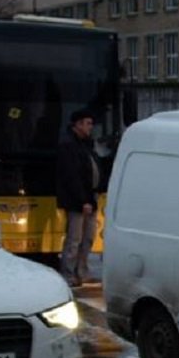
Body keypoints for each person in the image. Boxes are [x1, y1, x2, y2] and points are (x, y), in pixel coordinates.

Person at [56, 109, 100, 287]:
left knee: (88, 237)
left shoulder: (86, 144)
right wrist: (83, 200)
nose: (91, 127)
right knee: (75, 238)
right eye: (88, 123)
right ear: (78, 124)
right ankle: (68, 273)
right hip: (78, 201)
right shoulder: (68, 145)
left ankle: (82, 271)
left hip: (90, 197)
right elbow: (72, 175)